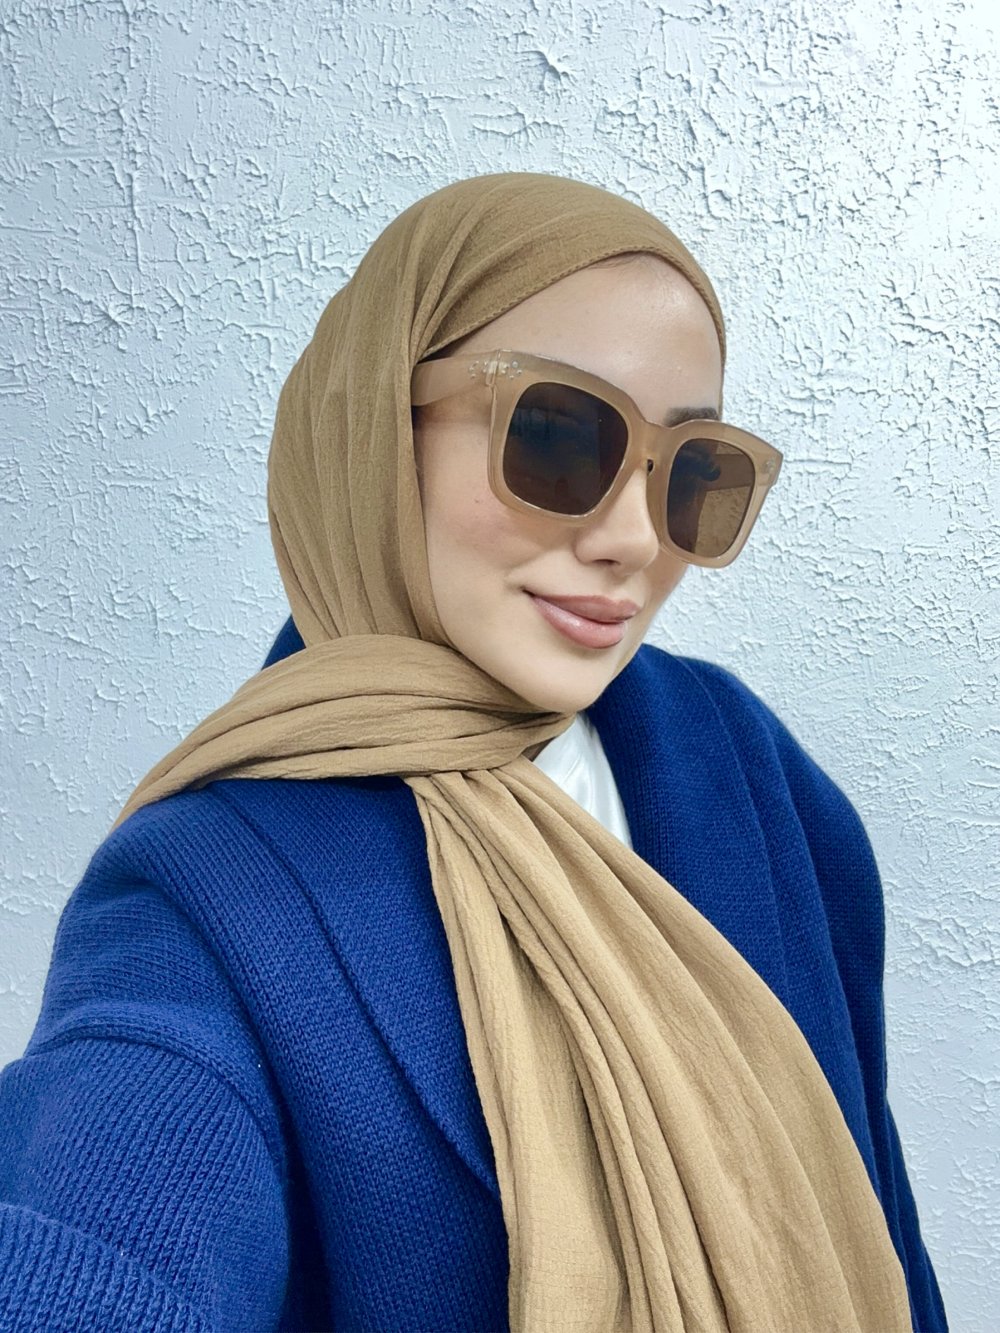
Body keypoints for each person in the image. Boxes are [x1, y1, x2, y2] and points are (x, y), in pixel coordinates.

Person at [0, 171, 948, 1332]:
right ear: (370, 432)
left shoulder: (757, 782)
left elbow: (877, 1223)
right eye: (555, 435)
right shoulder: (202, 893)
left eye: (692, 470)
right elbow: (106, 1216)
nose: (631, 539)